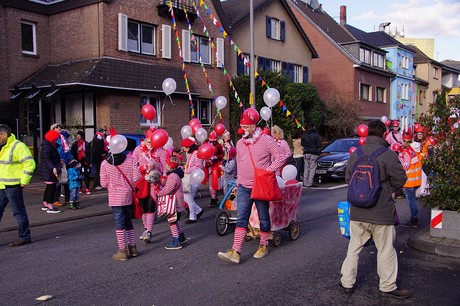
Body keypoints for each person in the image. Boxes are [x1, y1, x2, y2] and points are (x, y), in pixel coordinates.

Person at [340, 120, 411, 299]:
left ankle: (347, 282)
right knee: (386, 249)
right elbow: (400, 178)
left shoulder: (357, 153)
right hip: (381, 212)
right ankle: (387, 285)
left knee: (354, 248)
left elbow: (349, 178)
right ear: (383, 134)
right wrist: (388, 190)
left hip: (357, 211)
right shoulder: (387, 154)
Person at [217, 109, 285, 264]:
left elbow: (281, 156)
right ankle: (236, 251)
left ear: (254, 126)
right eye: (242, 126)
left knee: (263, 217)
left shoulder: (266, 140)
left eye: (246, 127)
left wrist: (268, 171)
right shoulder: (240, 143)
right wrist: (238, 182)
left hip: (261, 186)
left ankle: (263, 245)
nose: (243, 130)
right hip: (244, 186)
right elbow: (240, 164)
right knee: (241, 218)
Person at [100, 145, 142, 261]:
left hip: (114, 196)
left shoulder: (104, 164)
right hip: (128, 195)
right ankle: (132, 247)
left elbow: (103, 184)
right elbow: (137, 177)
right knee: (128, 222)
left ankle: (122, 250)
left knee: (119, 223)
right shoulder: (130, 160)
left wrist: (112, 185)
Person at [0, 124, 36, 247]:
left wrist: (24, 181)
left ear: (4, 135)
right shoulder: (2, 146)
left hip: (13, 186)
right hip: (2, 185)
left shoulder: (18, 146)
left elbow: (29, 164)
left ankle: (25, 237)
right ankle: (24, 236)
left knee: (18, 212)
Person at [132, 127, 167, 243]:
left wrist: (156, 168)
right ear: (145, 140)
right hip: (141, 182)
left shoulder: (160, 151)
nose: (151, 144)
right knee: (142, 206)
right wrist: (144, 167)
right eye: (148, 142)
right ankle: (146, 229)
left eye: (153, 142)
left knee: (150, 206)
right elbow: (133, 165)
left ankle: (149, 231)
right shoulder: (138, 150)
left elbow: (164, 168)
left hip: (154, 183)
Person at [153, 157, 187, 250]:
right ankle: (181, 236)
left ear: (170, 166)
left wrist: (158, 193)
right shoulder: (175, 175)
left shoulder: (173, 176)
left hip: (174, 202)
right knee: (175, 220)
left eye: (167, 164)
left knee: (172, 221)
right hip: (177, 200)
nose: (165, 165)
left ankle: (176, 240)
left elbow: (168, 189)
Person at [399, 130, 422, 228]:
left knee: (411, 201)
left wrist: (400, 158)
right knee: (413, 201)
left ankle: (414, 220)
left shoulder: (406, 151)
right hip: (416, 179)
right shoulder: (415, 150)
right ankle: (414, 219)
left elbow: (405, 166)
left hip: (408, 181)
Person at [39, 129, 63, 213]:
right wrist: (53, 167)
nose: (57, 140)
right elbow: (47, 159)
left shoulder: (47, 146)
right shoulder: (48, 147)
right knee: (51, 188)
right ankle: (50, 205)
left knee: (49, 187)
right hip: (49, 170)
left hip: (48, 170)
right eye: (56, 139)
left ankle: (45, 203)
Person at [181, 138, 204, 223]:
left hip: (195, 178)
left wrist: (186, 170)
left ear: (188, 147)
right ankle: (198, 211)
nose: (183, 149)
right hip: (192, 177)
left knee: (188, 197)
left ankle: (193, 216)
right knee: (187, 197)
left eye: (184, 147)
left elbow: (198, 167)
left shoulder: (197, 154)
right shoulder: (192, 154)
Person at [50, 123, 72, 206]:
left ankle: (68, 198)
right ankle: (55, 199)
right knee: (58, 182)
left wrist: (70, 159)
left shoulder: (63, 136)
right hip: (59, 161)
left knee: (66, 180)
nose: (59, 128)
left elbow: (67, 149)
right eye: (56, 127)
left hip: (66, 160)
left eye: (59, 127)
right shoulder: (54, 138)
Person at [206, 131, 224, 208]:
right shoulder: (206, 145)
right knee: (211, 184)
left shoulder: (219, 146)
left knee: (214, 184)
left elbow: (222, 154)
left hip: (215, 167)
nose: (213, 143)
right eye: (211, 141)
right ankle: (214, 197)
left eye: (214, 141)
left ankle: (213, 198)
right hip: (208, 166)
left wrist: (216, 157)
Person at [301, 123, 322, 187]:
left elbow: (302, 144)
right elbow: (319, 145)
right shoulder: (316, 135)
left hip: (306, 152)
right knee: (312, 168)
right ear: (313, 127)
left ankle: (305, 182)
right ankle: (310, 182)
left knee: (306, 168)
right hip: (314, 153)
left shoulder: (303, 135)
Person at [71, 130, 91, 195]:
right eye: (77, 136)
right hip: (77, 161)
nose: (77, 137)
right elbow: (72, 152)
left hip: (85, 161)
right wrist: (77, 151)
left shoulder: (87, 144)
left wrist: (90, 162)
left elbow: (90, 153)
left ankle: (87, 188)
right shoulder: (74, 144)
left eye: (79, 136)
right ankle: (80, 188)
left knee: (86, 175)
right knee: (78, 174)